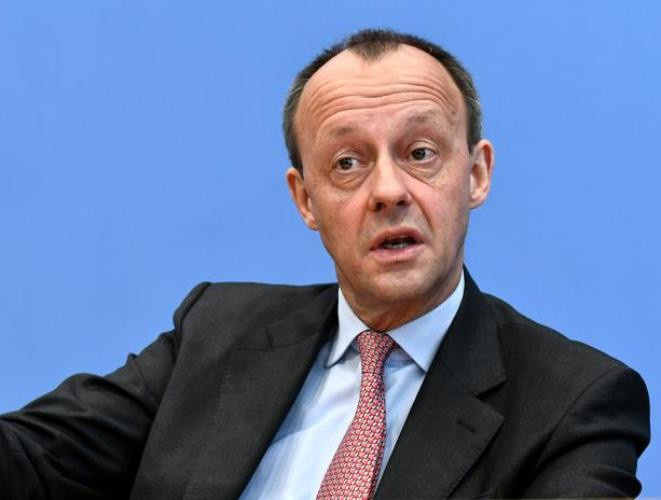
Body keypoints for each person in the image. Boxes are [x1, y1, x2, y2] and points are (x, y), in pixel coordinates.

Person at [0, 29, 650, 499]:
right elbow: (26, 461)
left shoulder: (574, 403)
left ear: (475, 174)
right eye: (347, 163)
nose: (388, 190)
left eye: (421, 153)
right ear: (305, 199)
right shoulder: (217, 332)